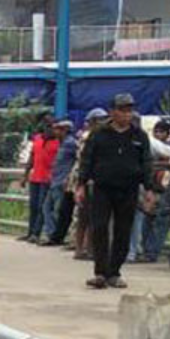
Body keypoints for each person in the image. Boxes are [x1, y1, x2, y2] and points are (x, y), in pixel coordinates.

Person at [77, 93, 153, 289]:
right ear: (112, 112)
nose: (126, 114)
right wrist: (81, 185)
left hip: (129, 188)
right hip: (102, 188)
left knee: (123, 230)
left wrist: (149, 189)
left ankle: (114, 272)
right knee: (100, 228)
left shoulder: (139, 136)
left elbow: (146, 163)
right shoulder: (99, 134)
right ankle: (100, 272)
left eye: (129, 110)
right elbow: (87, 160)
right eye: (122, 110)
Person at [131, 119, 170, 263]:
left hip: (164, 188)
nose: (157, 134)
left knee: (158, 219)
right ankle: (143, 249)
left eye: (161, 131)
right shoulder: (160, 146)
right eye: (156, 131)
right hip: (154, 186)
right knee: (147, 218)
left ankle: (150, 252)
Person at [70, 108, 108, 261]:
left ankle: (86, 248)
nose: (102, 122)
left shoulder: (98, 136)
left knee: (90, 217)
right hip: (88, 180)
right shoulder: (88, 137)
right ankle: (83, 248)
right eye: (99, 120)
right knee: (86, 216)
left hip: (92, 179)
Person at [23, 121, 63, 243]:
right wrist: (25, 175)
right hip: (35, 177)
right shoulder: (37, 139)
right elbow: (32, 157)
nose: (51, 130)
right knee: (33, 206)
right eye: (49, 127)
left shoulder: (58, 142)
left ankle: (36, 233)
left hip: (48, 179)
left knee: (42, 207)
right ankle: (30, 232)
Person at [45, 119, 82, 246]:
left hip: (63, 182)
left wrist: (69, 177)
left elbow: (79, 158)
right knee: (48, 208)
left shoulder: (71, 143)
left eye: (58, 129)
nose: (55, 131)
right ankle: (54, 235)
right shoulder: (62, 143)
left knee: (59, 210)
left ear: (65, 130)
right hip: (55, 180)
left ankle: (59, 236)